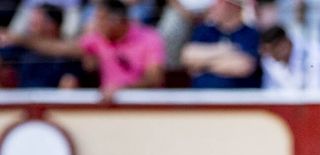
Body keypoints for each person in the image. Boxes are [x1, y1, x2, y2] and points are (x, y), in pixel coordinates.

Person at [10, 0, 164, 92]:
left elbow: (154, 78)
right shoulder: (98, 39)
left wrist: (124, 88)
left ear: (116, 20)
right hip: (111, 103)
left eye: (100, 20)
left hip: (140, 101)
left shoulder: (149, 37)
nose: (96, 25)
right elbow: (59, 48)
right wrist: (21, 40)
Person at [181, 0, 260, 89]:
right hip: (202, 97)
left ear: (232, 6)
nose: (213, 6)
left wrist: (202, 66)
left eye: (219, 3)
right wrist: (225, 50)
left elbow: (244, 66)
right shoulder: (204, 30)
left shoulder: (251, 33)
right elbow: (188, 56)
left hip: (239, 98)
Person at [0, 3, 82, 87]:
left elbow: (70, 81)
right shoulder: (22, 48)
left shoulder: (68, 53)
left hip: (54, 98)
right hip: (23, 97)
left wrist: (22, 39)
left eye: (36, 21)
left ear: (51, 24)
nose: (31, 24)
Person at [259, 23, 320, 87]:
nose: (270, 55)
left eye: (272, 50)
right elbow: (270, 94)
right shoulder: (269, 61)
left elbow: (317, 96)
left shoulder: (317, 55)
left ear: (283, 44)